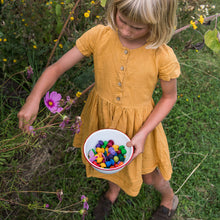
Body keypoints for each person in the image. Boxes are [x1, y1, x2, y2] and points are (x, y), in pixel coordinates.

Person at [18, 0, 181, 219]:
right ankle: (113, 190)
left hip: (140, 125)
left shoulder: (161, 54)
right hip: (103, 117)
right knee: (108, 160)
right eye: (121, 20)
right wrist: (34, 96)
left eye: (136, 27)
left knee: (149, 175)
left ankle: (169, 197)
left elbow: (169, 97)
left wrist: (142, 133)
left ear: (157, 24)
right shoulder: (99, 36)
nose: (124, 30)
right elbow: (57, 68)